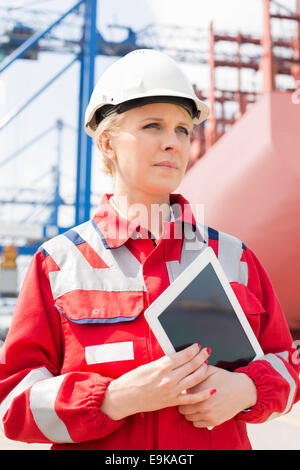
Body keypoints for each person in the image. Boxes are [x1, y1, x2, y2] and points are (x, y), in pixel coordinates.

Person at [0, 49, 299, 451]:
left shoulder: (235, 258)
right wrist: (112, 399)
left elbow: (288, 365)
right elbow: (13, 401)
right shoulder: (59, 263)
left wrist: (246, 389)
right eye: (153, 126)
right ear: (107, 143)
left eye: (182, 130)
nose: (172, 143)